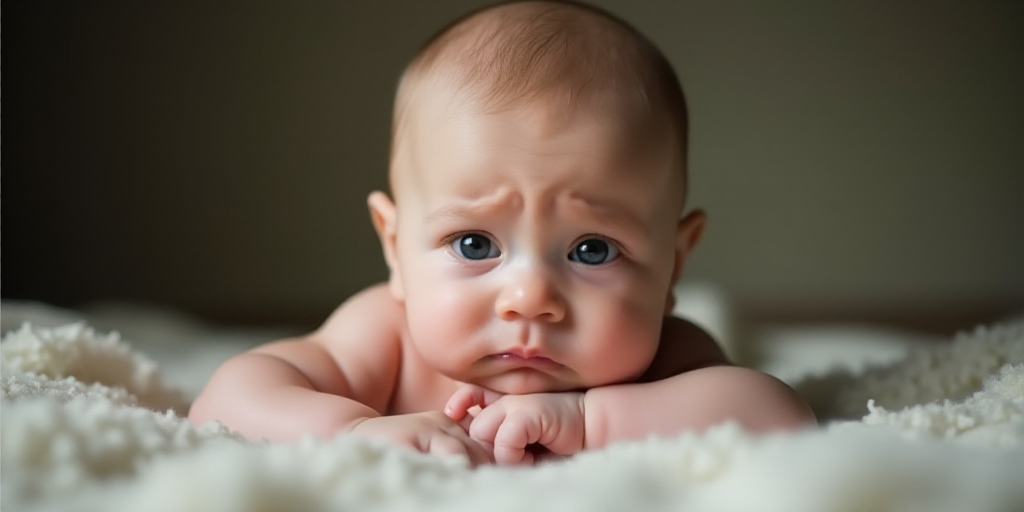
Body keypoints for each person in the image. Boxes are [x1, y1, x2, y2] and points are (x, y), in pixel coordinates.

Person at [188, 0, 815, 467]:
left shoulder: (662, 359)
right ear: (395, 248)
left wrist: (590, 420)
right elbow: (229, 397)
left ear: (673, 264)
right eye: (475, 244)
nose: (529, 298)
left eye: (592, 250)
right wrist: (349, 431)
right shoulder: (387, 337)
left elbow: (777, 415)